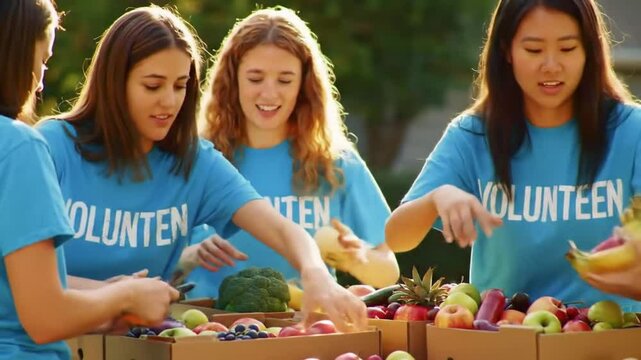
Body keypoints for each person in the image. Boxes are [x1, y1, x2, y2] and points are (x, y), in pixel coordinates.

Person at [36, 5, 365, 331]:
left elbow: (282, 229)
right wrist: (115, 294)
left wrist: (315, 272)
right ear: (114, 83)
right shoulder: (51, 146)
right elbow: (12, 272)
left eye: (180, 86)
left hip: (139, 346)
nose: (169, 101)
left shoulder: (195, 162)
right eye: (153, 85)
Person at [385, 0, 641, 311]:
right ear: (507, 51)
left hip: (613, 341)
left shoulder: (631, 130)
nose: (551, 64)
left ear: (590, 51)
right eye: (533, 50)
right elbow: (396, 238)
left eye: (568, 48)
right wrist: (437, 196)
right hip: (502, 339)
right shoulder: (472, 134)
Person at [0, 1, 178, 359]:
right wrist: (127, 295)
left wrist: (100, 304)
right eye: (44, 59)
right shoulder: (19, 146)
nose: (41, 79)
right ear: (16, 53)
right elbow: (45, 319)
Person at [183, 6, 399, 299]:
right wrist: (191, 254)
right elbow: (154, 265)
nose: (270, 94)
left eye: (285, 80)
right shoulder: (197, 160)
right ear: (232, 80)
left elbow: (389, 270)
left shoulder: (335, 162)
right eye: (255, 79)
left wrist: (354, 256)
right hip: (209, 332)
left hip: (308, 333)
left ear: (304, 84)